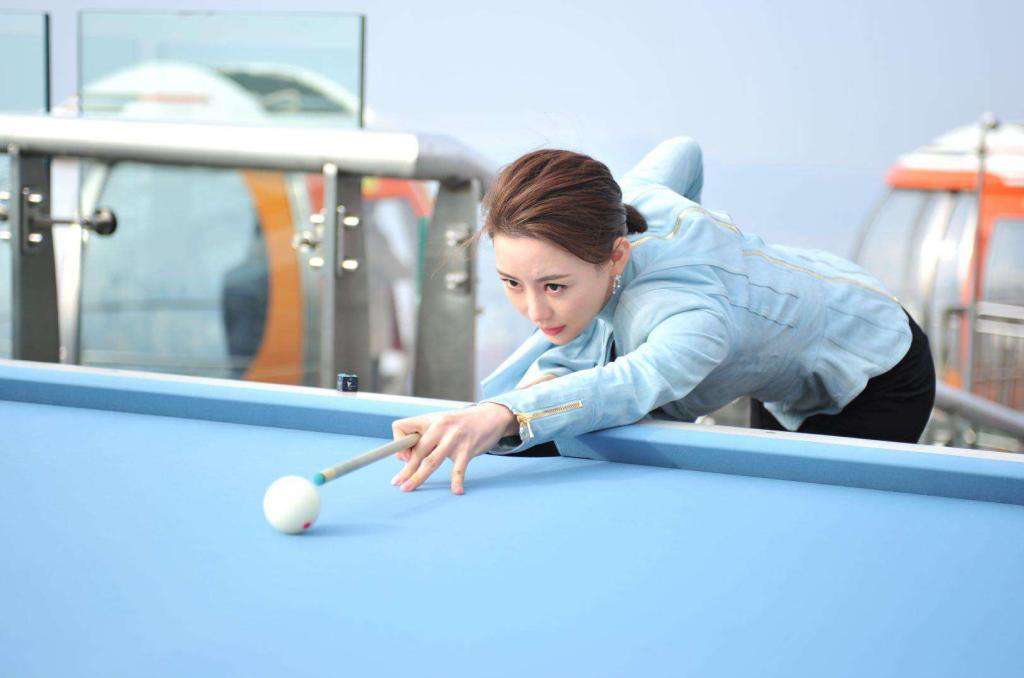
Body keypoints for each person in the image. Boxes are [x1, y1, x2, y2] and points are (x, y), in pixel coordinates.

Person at [390, 137, 936, 495]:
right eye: (512, 283)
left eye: (554, 286)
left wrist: (503, 413)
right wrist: (700, 229)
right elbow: (684, 150)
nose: (535, 312)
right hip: (786, 363)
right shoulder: (628, 201)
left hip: (877, 365)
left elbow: (630, 385)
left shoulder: (694, 321)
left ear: (616, 256)